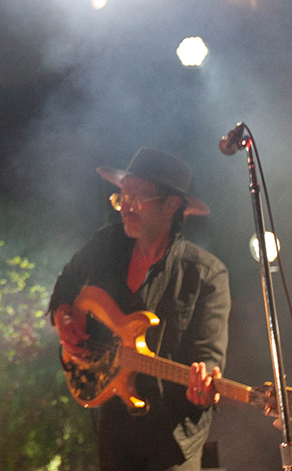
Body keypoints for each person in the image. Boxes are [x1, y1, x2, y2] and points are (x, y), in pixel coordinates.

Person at [48, 147, 230, 471]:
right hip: (115, 427)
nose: (125, 208)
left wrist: (204, 390)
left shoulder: (206, 274)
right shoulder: (108, 243)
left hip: (172, 439)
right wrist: (63, 316)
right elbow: (67, 281)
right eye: (122, 198)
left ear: (171, 205)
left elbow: (207, 357)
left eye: (137, 199)